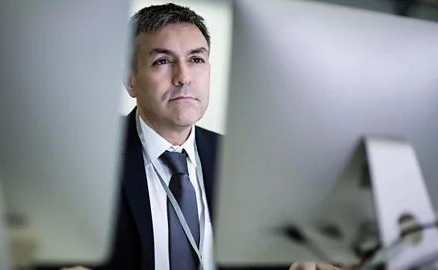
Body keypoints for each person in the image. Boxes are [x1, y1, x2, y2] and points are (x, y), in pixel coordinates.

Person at [63, 3, 340, 270]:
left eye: (196, 59)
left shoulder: (240, 158)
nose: (183, 77)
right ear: (130, 80)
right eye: (162, 61)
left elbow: (260, 255)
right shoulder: (86, 159)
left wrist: (294, 263)